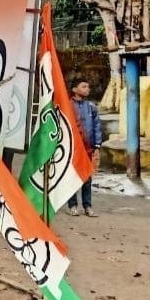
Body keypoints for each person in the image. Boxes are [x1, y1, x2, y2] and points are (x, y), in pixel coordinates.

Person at [66, 78, 103, 217]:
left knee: (87, 178)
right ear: (75, 89)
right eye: (84, 86)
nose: (87, 89)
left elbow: (97, 127)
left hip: (88, 148)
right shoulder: (68, 106)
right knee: (72, 176)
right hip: (73, 147)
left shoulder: (91, 107)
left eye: (88, 86)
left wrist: (97, 145)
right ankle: (73, 206)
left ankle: (87, 206)